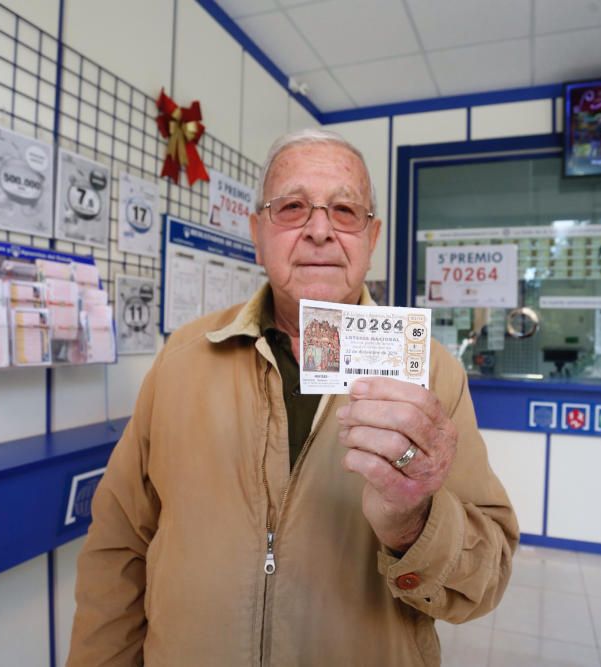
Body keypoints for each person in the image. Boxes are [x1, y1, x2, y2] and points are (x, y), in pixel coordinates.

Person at [67, 129, 518, 666]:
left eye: (345, 210)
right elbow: (119, 546)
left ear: (373, 239)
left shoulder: (430, 374)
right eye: (293, 207)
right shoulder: (180, 361)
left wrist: (413, 521)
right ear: (257, 233)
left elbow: (485, 580)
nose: (320, 230)